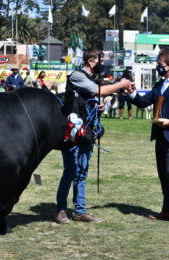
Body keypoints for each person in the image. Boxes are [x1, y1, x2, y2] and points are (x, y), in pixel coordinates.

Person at [56, 48, 133, 224]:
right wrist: (121, 84)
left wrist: (96, 107)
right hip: (72, 132)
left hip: (88, 131)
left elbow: (93, 98)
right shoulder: (77, 76)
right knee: (70, 171)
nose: (103, 64)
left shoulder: (91, 78)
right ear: (91, 61)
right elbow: (98, 91)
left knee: (82, 172)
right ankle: (61, 210)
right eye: (101, 61)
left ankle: (80, 211)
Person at [128, 50, 169, 221]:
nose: (157, 67)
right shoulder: (158, 85)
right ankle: (168, 211)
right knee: (163, 174)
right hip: (160, 136)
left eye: (160, 64)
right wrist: (131, 92)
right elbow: (142, 102)